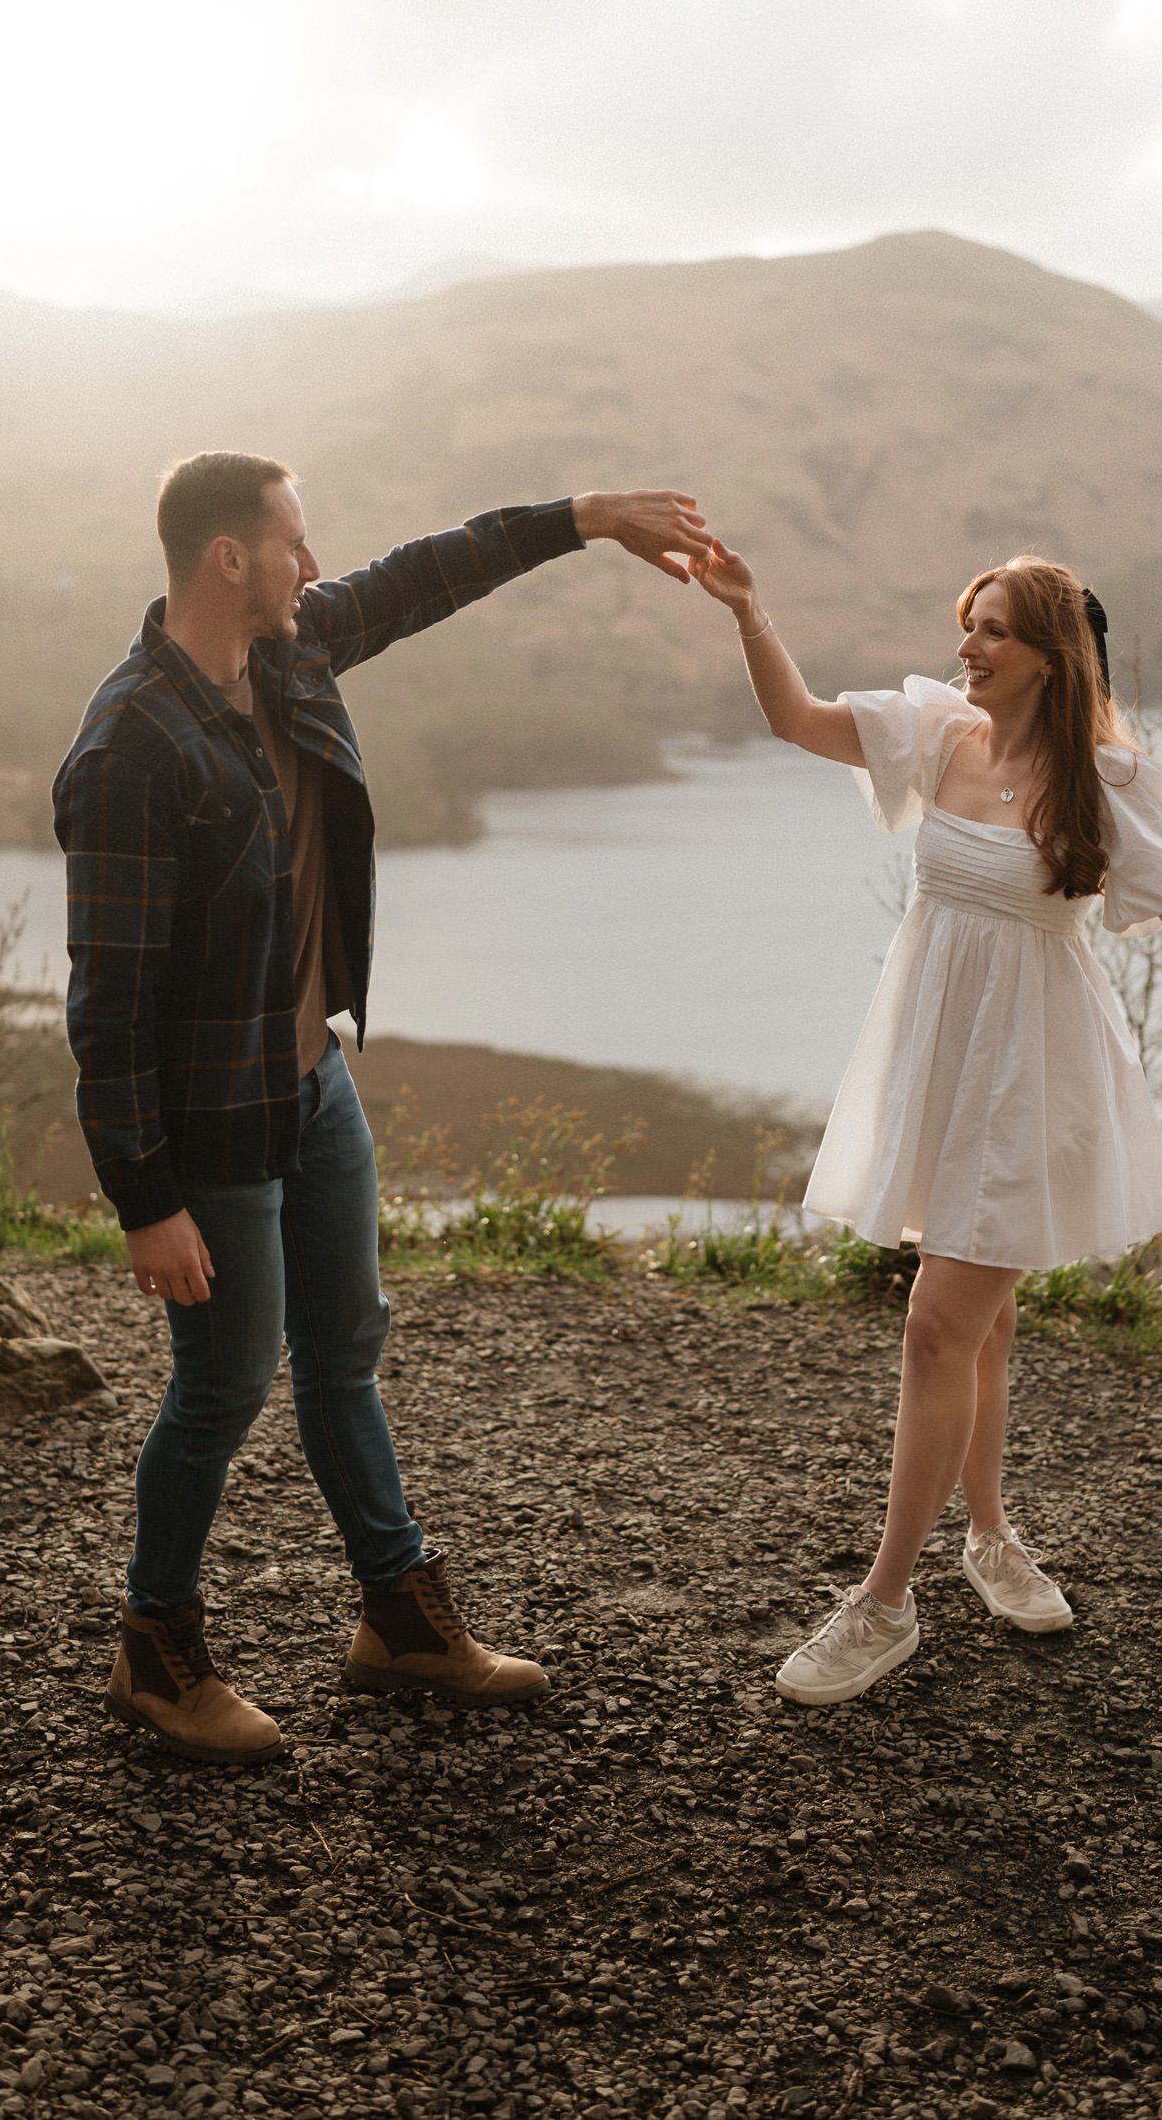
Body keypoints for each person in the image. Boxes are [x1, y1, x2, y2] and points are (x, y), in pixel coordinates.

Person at [53, 452, 712, 1763]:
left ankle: (399, 1620)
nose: (313, 564)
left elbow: (426, 574)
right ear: (228, 559)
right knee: (222, 1383)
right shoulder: (131, 745)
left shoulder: (287, 653)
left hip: (313, 1087)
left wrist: (582, 519)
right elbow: (107, 1002)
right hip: (217, 1124)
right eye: (291, 541)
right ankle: (153, 1648)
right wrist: (145, 1197)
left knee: (345, 1346)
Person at [688, 541, 1162, 1706]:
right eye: (966, 623)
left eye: (991, 630)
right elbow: (795, 718)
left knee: (939, 1323)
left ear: (1048, 656)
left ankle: (884, 1604)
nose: (966, 646)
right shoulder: (938, 735)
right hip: (939, 1054)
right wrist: (747, 609)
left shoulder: (1108, 784)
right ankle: (988, 1537)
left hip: (1036, 1073)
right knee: (980, 1323)